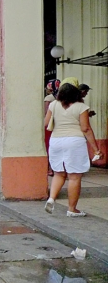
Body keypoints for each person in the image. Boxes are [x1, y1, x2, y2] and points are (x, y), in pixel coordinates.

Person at [44, 81, 103, 217]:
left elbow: (46, 123)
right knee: (74, 176)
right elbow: (85, 129)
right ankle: (72, 209)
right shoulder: (81, 107)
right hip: (74, 141)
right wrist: (95, 149)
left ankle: (51, 198)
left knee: (59, 173)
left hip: (56, 141)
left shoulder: (53, 105)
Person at [44, 79, 60, 176]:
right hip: (57, 125)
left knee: (48, 146)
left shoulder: (49, 98)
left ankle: (49, 168)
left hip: (49, 125)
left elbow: (46, 113)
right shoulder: (59, 98)